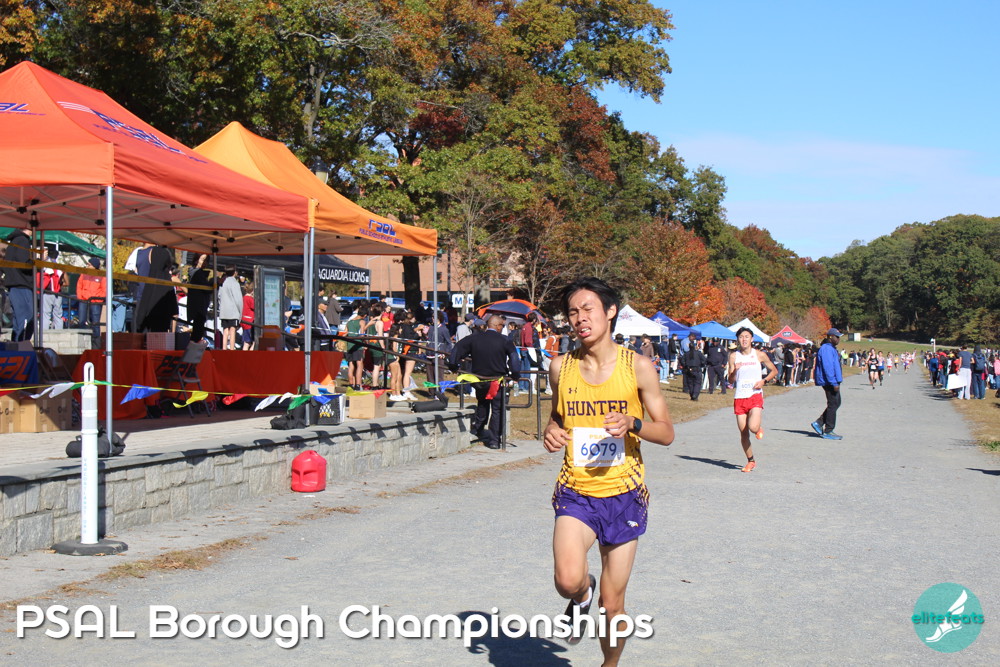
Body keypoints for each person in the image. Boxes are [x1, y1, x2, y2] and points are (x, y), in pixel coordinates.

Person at [542, 277, 674, 665]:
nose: (580, 318)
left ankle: (609, 663)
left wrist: (633, 423)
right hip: (576, 491)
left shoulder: (639, 367)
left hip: (624, 495)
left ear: (610, 311)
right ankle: (581, 595)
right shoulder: (560, 367)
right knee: (567, 580)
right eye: (572, 312)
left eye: (588, 309)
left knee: (612, 606)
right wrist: (551, 431)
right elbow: (556, 417)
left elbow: (666, 433)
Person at [448, 314, 521, 449]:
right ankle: (494, 440)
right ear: (497, 326)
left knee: (482, 403)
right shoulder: (504, 340)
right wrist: (515, 373)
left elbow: (458, 348)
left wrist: (453, 364)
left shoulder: (474, 338)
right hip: (498, 380)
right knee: (497, 409)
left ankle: (479, 428)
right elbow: (514, 357)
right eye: (502, 326)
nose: (502, 328)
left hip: (479, 379)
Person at [727, 327, 779, 472]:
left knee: (753, 427)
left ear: (752, 339)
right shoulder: (734, 356)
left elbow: (774, 370)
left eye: (747, 336)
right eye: (741, 337)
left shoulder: (759, 355)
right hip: (740, 397)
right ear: (738, 339)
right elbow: (730, 380)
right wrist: (735, 370)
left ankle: (758, 429)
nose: (744, 339)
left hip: (755, 395)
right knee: (743, 433)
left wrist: (764, 381)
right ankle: (751, 461)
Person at [133, 245, 178, 333]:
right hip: (162, 327)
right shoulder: (167, 280)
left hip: (148, 328)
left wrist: (139, 324)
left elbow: (142, 311)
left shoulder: (150, 281)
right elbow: (174, 310)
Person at [811, 328, 844, 440]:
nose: (838, 339)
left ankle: (819, 422)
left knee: (836, 402)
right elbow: (828, 367)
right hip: (829, 381)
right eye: (837, 337)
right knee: (833, 404)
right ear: (830, 337)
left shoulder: (831, 348)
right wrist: (833, 382)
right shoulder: (826, 349)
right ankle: (828, 430)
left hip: (832, 380)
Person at [3, 225, 34, 341]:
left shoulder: (13, 242)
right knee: (27, 318)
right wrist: (37, 262)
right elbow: (24, 264)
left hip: (14, 283)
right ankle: (21, 344)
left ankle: (16, 344)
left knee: (19, 319)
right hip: (22, 284)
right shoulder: (22, 240)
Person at [76, 256, 106, 343]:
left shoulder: (102, 276)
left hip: (95, 302)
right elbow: (79, 286)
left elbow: (104, 290)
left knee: (95, 322)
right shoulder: (84, 274)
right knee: (81, 320)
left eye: (89, 264)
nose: (87, 266)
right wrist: (81, 297)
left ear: (94, 266)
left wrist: (97, 298)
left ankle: (96, 342)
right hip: (84, 300)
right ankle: (82, 340)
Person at [186, 254, 212, 343]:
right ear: (196, 260)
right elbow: (207, 289)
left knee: (198, 331)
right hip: (199, 306)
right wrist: (213, 282)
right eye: (203, 259)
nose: (205, 262)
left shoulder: (198, 273)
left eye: (206, 260)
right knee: (197, 332)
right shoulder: (197, 273)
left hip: (199, 306)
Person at [38, 247, 65, 330]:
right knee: (58, 315)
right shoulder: (59, 266)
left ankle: (45, 332)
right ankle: (59, 332)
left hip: (47, 292)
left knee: (46, 314)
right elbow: (63, 280)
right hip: (58, 293)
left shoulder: (46, 265)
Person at [217, 265, 242, 350]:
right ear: (235, 272)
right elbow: (238, 299)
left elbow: (219, 296)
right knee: (232, 330)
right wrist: (240, 312)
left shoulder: (223, 283)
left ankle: (224, 348)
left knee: (225, 330)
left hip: (224, 310)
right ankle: (231, 349)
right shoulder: (235, 283)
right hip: (233, 311)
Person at [681, 333, 707, 400]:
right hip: (697, 369)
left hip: (689, 369)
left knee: (690, 383)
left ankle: (692, 394)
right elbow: (704, 360)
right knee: (697, 383)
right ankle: (695, 394)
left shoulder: (686, 354)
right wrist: (701, 365)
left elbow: (682, 361)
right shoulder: (698, 353)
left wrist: (686, 366)